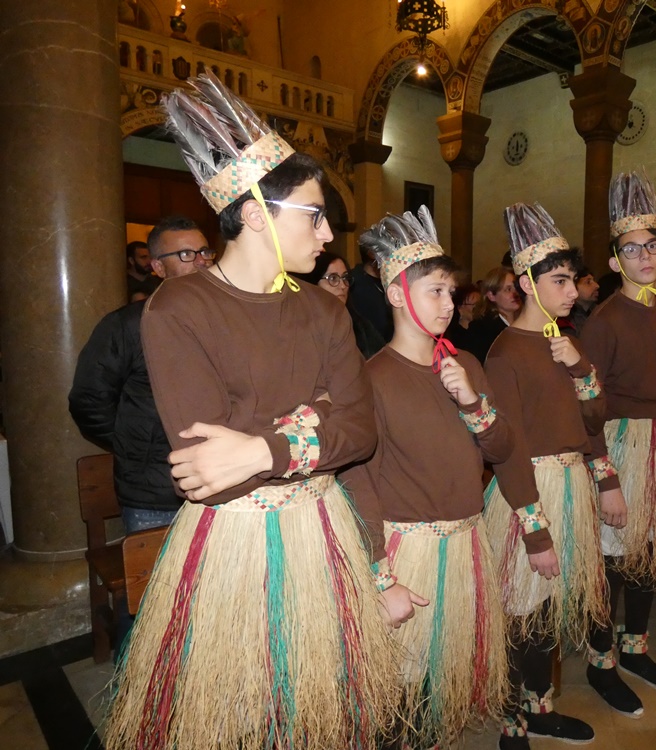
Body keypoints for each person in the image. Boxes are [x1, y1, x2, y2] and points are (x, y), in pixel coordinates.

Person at [104, 72, 412, 750]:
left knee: (327, 715)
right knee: (248, 720)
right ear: (253, 214)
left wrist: (260, 447)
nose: (328, 233)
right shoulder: (179, 307)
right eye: (314, 214)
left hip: (324, 532)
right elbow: (210, 475)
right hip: (234, 545)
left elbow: (361, 433)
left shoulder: (324, 309)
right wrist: (315, 416)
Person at [340, 208, 511, 749]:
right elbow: (359, 484)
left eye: (451, 292)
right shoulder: (372, 378)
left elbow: (502, 449)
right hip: (406, 550)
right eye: (435, 291)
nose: (448, 304)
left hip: (466, 544)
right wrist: (381, 576)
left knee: (444, 680)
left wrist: (471, 401)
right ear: (396, 293)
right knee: (400, 686)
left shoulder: (466, 364)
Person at [483, 203, 608, 748]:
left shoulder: (565, 342)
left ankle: (540, 706)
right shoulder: (506, 352)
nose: (572, 290)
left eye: (572, 280)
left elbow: (595, 419)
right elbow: (506, 450)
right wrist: (534, 531)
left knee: (550, 609)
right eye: (560, 281)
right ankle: (512, 719)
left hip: (571, 484)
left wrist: (579, 367)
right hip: (529, 491)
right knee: (521, 610)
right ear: (527, 285)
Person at [581, 170, 656, 705]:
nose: (644, 256)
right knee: (614, 561)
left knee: (653, 553)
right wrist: (606, 480)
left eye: (651, 246)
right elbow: (587, 406)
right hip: (623, 444)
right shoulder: (603, 321)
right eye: (631, 248)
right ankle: (601, 663)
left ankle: (635, 649)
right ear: (614, 262)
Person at [70, 216, 215, 535]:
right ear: (158, 267)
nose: (200, 262)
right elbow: (88, 400)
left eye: (205, 252)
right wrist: (134, 443)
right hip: (156, 495)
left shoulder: (226, 321)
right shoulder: (128, 325)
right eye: (186, 254)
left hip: (219, 482)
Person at [297, 250, 386, 359]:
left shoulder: (360, 325)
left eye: (345, 278)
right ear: (313, 283)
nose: (343, 286)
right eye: (333, 278)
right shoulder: (300, 328)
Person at [466, 266, 521, 363]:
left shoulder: (526, 321)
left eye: (516, 288)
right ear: (491, 296)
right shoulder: (481, 329)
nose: (515, 294)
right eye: (508, 289)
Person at [351, 238, 395, 341]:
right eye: (387, 248)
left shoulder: (395, 280)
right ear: (371, 253)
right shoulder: (354, 283)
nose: (393, 254)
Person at [566, 263, 600, 333]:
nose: (597, 286)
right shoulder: (565, 317)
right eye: (588, 282)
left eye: (594, 281)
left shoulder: (600, 311)